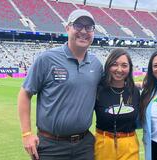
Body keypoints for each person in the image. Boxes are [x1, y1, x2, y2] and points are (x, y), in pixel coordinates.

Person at [17, 9, 102, 160]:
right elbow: (25, 93)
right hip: (50, 146)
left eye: (88, 27)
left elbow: (112, 88)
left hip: (85, 146)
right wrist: (26, 134)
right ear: (67, 28)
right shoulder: (47, 59)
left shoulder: (96, 64)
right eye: (78, 25)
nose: (83, 31)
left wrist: (143, 84)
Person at [94, 48, 140, 160]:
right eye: (114, 64)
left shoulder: (134, 91)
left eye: (124, 65)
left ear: (129, 68)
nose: (119, 70)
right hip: (103, 144)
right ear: (108, 66)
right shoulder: (98, 89)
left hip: (130, 144)